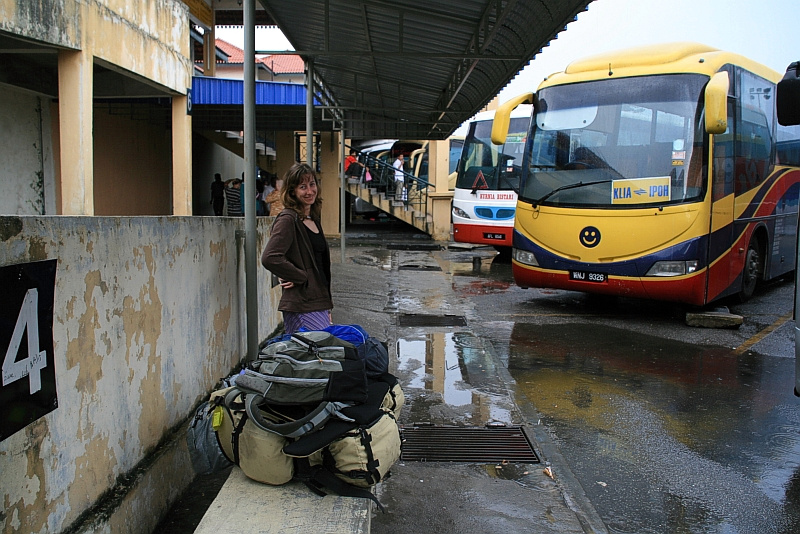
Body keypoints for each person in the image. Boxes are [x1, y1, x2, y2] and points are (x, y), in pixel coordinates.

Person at [261, 162, 333, 334]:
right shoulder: (288, 219)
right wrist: (299, 276)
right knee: (316, 356)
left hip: (318, 301)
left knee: (319, 356)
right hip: (302, 303)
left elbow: (319, 266)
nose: (309, 191)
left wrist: (327, 306)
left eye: (312, 184)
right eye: (303, 187)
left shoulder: (312, 218)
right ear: (292, 191)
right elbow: (270, 257)